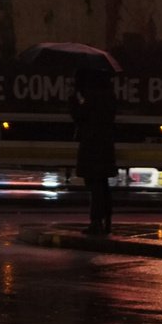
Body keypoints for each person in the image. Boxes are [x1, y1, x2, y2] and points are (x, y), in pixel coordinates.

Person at [70, 65, 117, 236]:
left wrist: (74, 100)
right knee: (102, 184)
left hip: (92, 145)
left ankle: (96, 222)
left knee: (95, 185)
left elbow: (80, 117)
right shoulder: (108, 96)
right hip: (104, 145)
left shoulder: (92, 97)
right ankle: (106, 220)